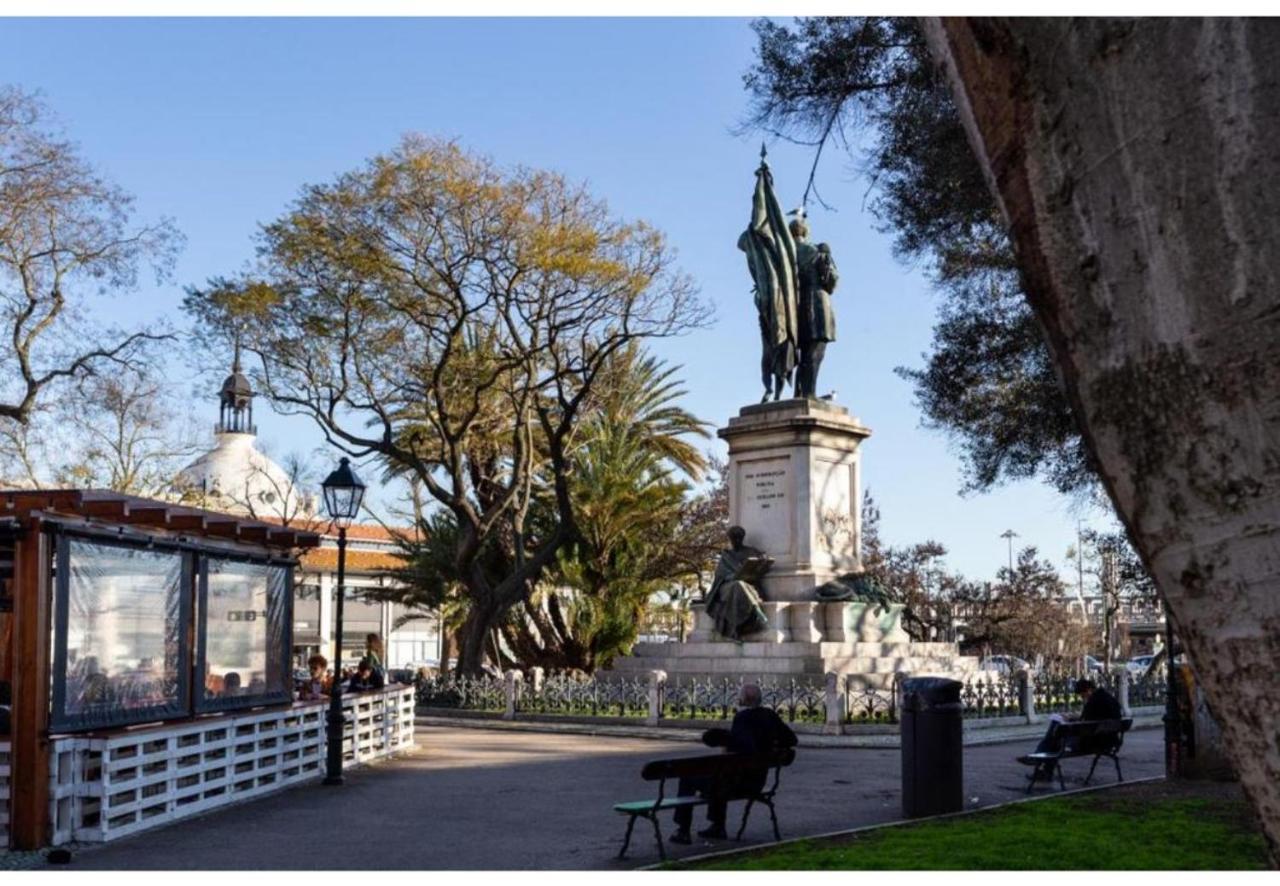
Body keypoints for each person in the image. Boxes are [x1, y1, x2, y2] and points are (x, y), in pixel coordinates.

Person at [670, 683, 797, 845]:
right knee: (721, 775)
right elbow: (792, 739)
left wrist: (726, 740)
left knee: (690, 778)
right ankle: (716, 826)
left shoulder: (742, 718)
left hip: (736, 784)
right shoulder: (770, 715)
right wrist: (771, 746)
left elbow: (740, 748)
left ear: (743, 700)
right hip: (757, 782)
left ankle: (683, 830)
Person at [1022, 678, 1123, 778]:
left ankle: (1039, 761)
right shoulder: (1109, 698)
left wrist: (1069, 720)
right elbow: (1091, 720)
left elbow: (1083, 724)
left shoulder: (1093, 702)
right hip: (1110, 741)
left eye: (1082, 695)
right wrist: (1076, 718)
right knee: (1054, 738)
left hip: (1092, 743)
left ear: (1088, 690)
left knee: (1053, 737)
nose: (1083, 698)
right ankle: (1040, 763)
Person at [790, 215, 838, 399]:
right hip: (817, 303)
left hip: (795, 305)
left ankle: (800, 393)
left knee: (803, 351)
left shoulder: (785, 252)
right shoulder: (816, 252)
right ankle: (809, 393)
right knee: (815, 351)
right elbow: (832, 283)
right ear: (805, 232)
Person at [704, 527, 770, 642]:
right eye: (733, 538)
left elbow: (761, 558)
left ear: (742, 538)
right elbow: (720, 576)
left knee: (740, 585)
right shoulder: (726, 556)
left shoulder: (750, 551)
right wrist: (732, 576)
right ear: (730, 539)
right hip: (726, 587)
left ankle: (753, 609)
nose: (736, 541)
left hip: (747, 585)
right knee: (737, 584)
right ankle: (755, 610)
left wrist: (763, 560)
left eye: (738, 538)